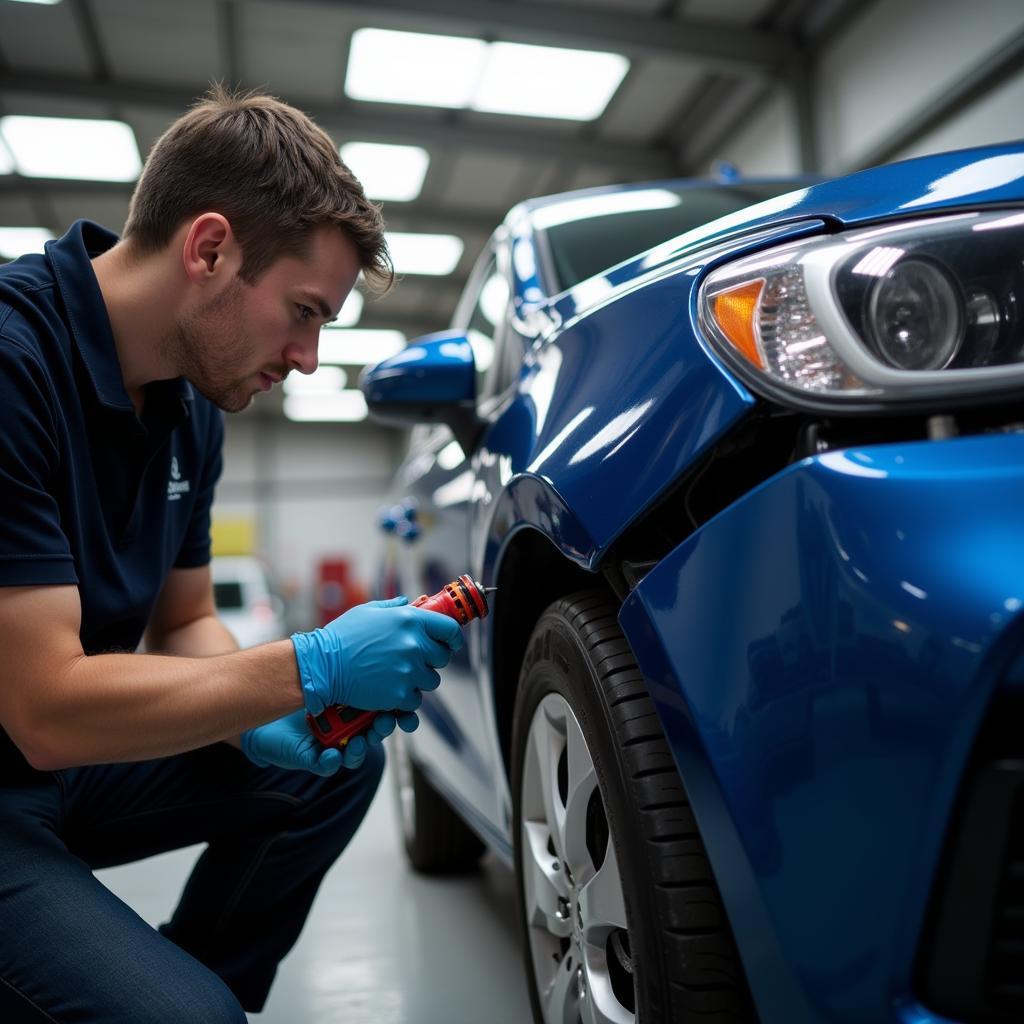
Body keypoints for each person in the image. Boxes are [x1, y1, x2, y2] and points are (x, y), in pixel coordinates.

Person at [0, 87, 463, 1022]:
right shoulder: (13, 366)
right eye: (302, 311)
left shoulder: (187, 408)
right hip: (22, 753)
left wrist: (265, 716)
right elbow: (44, 707)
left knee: (328, 763)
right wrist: (310, 663)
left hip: (50, 770)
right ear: (209, 249)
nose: (308, 357)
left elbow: (185, 622)